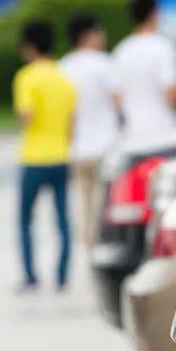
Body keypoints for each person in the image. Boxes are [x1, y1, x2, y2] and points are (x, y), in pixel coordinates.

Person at [13, 21, 76, 292]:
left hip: (34, 158)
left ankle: (31, 276)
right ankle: (62, 276)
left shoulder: (27, 76)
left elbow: (26, 115)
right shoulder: (64, 77)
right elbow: (72, 124)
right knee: (62, 220)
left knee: (26, 220)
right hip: (61, 156)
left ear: (29, 46)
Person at [60, 14, 119, 247]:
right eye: (98, 32)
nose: (102, 36)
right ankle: (101, 242)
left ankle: (88, 241)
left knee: (83, 200)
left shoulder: (64, 66)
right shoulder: (104, 63)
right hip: (105, 145)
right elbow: (117, 99)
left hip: (77, 147)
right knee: (103, 201)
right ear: (87, 35)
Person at [113, 0, 176, 138]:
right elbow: (170, 92)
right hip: (162, 129)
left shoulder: (121, 50)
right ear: (154, 13)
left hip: (132, 131)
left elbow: (116, 96)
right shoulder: (163, 46)